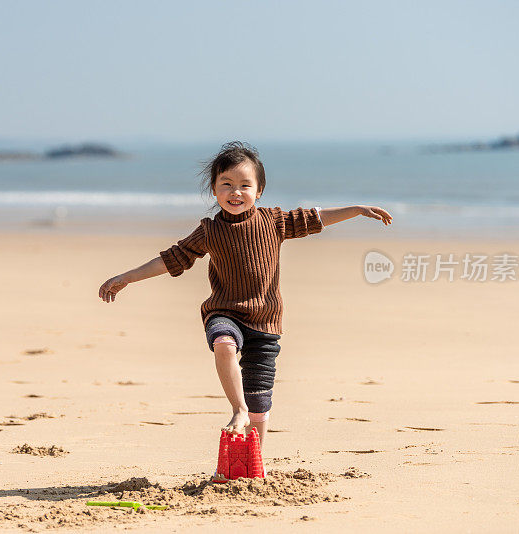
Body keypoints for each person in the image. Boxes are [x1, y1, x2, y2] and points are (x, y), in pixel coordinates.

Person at [98, 141, 392, 476]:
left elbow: (317, 217)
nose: (235, 192)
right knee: (223, 343)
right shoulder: (209, 231)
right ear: (214, 189)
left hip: (265, 322)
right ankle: (236, 409)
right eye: (226, 184)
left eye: (244, 185)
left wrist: (356, 209)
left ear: (260, 190)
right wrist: (127, 277)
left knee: (260, 403)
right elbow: (171, 259)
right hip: (226, 312)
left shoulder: (275, 221)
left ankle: (255, 465)